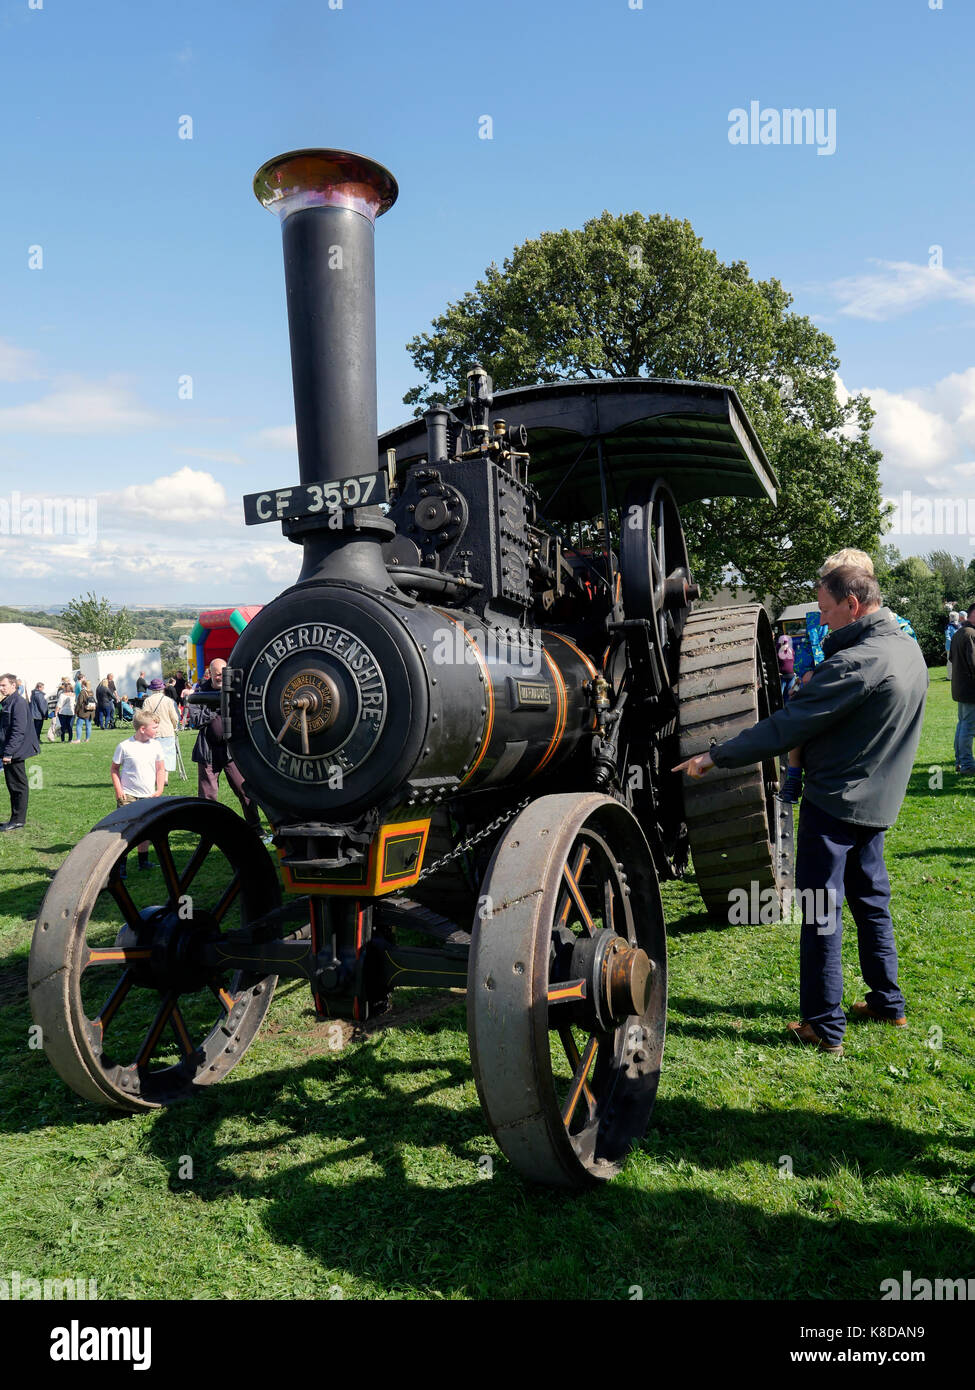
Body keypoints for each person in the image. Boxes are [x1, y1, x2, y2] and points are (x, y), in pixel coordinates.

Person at [674, 566, 929, 1056]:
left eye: (828, 610)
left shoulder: (855, 661)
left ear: (853, 604)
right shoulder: (906, 647)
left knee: (820, 914)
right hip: (877, 803)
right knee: (872, 902)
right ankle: (888, 1002)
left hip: (835, 806)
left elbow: (785, 726)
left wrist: (714, 755)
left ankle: (823, 1026)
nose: (823, 619)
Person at [192, 658, 262, 831]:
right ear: (210, 673)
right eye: (217, 674)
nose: (220, 678)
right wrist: (216, 710)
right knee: (208, 795)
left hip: (233, 751)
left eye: (223, 674)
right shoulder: (201, 691)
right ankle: (209, 830)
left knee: (245, 789)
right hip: (208, 751)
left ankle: (255, 826)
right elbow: (194, 719)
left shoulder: (234, 691)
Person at [111, 710, 165, 873]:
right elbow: (114, 769)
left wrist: (160, 788)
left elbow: (160, 769)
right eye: (154, 727)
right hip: (128, 795)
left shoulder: (156, 745)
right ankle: (121, 865)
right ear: (142, 729)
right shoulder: (125, 746)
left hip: (149, 795)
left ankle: (143, 861)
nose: (157, 730)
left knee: (146, 830)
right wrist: (119, 790)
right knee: (125, 832)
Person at [0, 671, 40, 831]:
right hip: (10, 750)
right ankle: (14, 818)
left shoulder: (18, 702)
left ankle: (18, 820)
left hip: (15, 751)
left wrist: (8, 752)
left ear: (13, 685)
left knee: (18, 786)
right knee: (13, 785)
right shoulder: (8, 701)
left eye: (3, 685)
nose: (1, 688)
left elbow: (18, 730)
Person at [948, 603, 975, 776]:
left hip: (961, 687)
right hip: (970, 690)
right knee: (968, 727)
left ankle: (960, 761)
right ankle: (966, 764)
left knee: (963, 725)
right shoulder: (971, 634)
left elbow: (951, 657)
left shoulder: (959, 632)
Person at [140, 678, 180, 779]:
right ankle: (165, 777)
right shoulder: (168, 701)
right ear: (162, 689)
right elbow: (174, 717)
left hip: (152, 732)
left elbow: (145, 716)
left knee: (153, 755)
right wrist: (174, 727)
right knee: (167, 754)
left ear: (152, 689)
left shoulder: (148, 701)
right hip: (167, 730)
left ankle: (156, 776)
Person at [74, 678, 96, 743]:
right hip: (91, 711)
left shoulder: (82, 692)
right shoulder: (91, 691)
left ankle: (78, 739)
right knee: (88, 725)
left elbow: (79, 703)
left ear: (83, 685)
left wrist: (76, 710)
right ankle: (87, 739)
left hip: (83, 711)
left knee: (79, 725)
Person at [945, 610, 961, 682]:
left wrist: (951, 643)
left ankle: (949, 676)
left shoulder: (948, 626)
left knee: (950, 661)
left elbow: (947, 637)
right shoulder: (960, 626)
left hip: (950, 646)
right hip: (960, 645)